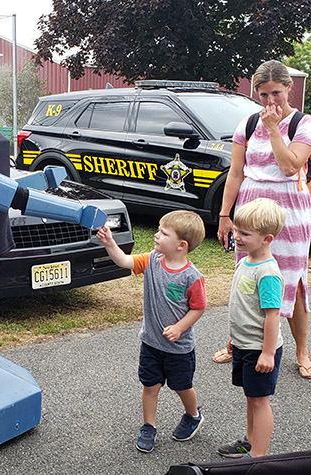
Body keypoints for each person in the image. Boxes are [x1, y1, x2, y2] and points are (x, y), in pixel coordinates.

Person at [216, 59, 311, 379]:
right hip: (250, 210)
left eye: (277, 93)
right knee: (247, 276)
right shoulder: (245, 125)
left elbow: (289, 166)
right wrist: (225, 216)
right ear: (256, 91)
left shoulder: (303, 123)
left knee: (293, 283)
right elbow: (235, 174)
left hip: (290, 212)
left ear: (290, 89)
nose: (271, 102)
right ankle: (237, 341)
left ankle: (301, 349)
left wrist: (273, 129)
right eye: (264, 94)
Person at [97, 210, 206, 453]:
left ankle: (193, 415)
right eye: (158, 229)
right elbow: (125, 261)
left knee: (182, 386)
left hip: (179, 349)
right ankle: (149, 426)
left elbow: (199, 308)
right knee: (150, 385)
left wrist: (179, 327)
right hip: (151, 343)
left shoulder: (192, 276)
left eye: (163, 233)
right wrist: (109, 243)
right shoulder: (152, 260)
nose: (156, 235)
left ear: (181, 245)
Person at [217, 198, 285, 458]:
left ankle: (258, 455)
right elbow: (243, 308)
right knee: (250, 397)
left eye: (245, 233)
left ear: (267, 238)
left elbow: (272, 316)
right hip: (244, 344)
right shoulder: (246, 261)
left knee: (260, 401)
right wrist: (234, 337)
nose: (237, 236)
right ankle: (250, 440)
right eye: (236, 230)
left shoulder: (267, 272)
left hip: (260, 349)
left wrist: (268, 353)